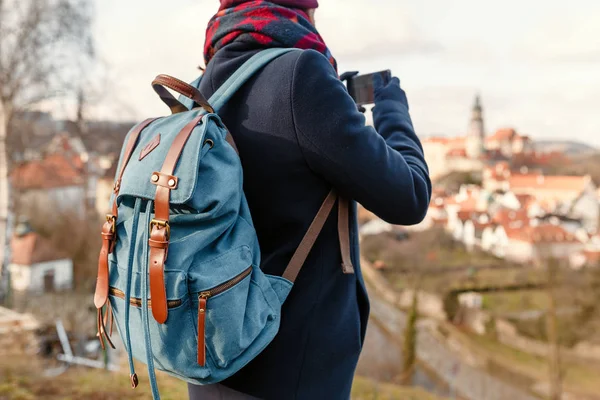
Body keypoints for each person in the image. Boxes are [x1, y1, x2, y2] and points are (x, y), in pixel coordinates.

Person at [188, 0, 431, 399]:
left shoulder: (203, 85)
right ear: (301, 10)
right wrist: (392, 110)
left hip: (208, 355)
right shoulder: (301, 73)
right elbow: (410, 196)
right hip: (292, 369)